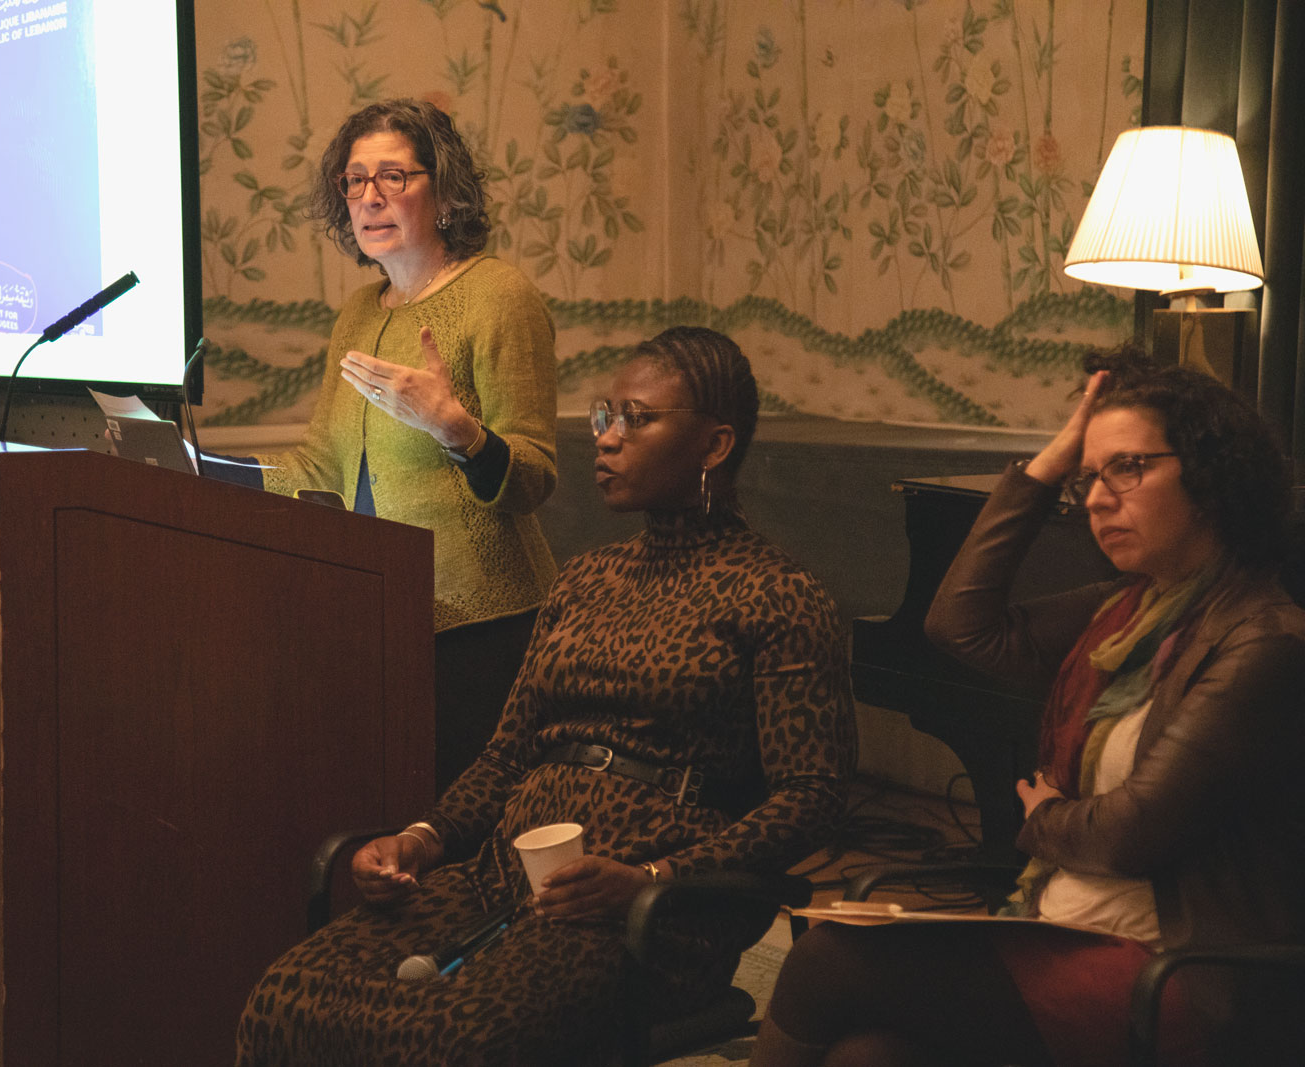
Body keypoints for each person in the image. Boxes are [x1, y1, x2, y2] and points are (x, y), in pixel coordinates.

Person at [236, 326, 857, 1066]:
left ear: (714, 446)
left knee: (452, 1037)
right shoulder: (584, 579)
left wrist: (655, 878)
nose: (606, 438)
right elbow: (508, 753)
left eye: (637, 418)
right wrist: (420, 838)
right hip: (502, 874)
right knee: (290, 990)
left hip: (649, 911)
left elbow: (812, 794)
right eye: (603, 416)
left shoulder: (779, 593)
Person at [750, 346, 1305, 1067]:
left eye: (1128, 468)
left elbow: (1131, 832)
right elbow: (960, 624)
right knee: (869, 1055)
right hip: (1068, 925)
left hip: (1179, 976)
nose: (1100, 498)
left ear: (1211, 478)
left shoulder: (1265, 640)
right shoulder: (1128, 610)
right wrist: (1051, 462)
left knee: (832, 957)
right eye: (1089, 479)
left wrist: (1042, 817)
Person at [254, 98, 559, 789]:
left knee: (465, 829)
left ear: (445, 190)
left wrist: (456, 429)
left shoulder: (500, 296)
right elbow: (320, 467)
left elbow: (535, 477)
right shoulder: (361, 310)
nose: (370, 197)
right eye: (355, 180)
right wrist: (210, 472)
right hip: (384, 616)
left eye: (394, 176)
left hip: (485, 626)